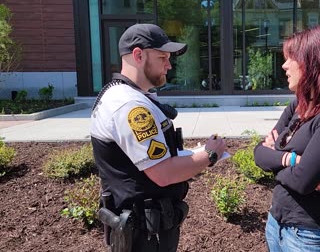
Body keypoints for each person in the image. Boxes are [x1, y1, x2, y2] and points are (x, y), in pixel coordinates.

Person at [90, 23, 226, 252]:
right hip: (144, 235)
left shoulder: (127, 95)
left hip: (146, 229)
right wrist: (210, 154)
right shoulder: (129, 105)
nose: (169, 65)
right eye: (162, 57)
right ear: (138, 55)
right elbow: (163, 173)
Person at [253, 25, 320, 252]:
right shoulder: (298, 105)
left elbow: (304, 181)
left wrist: (277, 155)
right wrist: (293, 160)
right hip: (276, 224)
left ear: (314, 62)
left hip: (311, 236)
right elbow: (258, 154)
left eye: (290, 58)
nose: (284, 65)